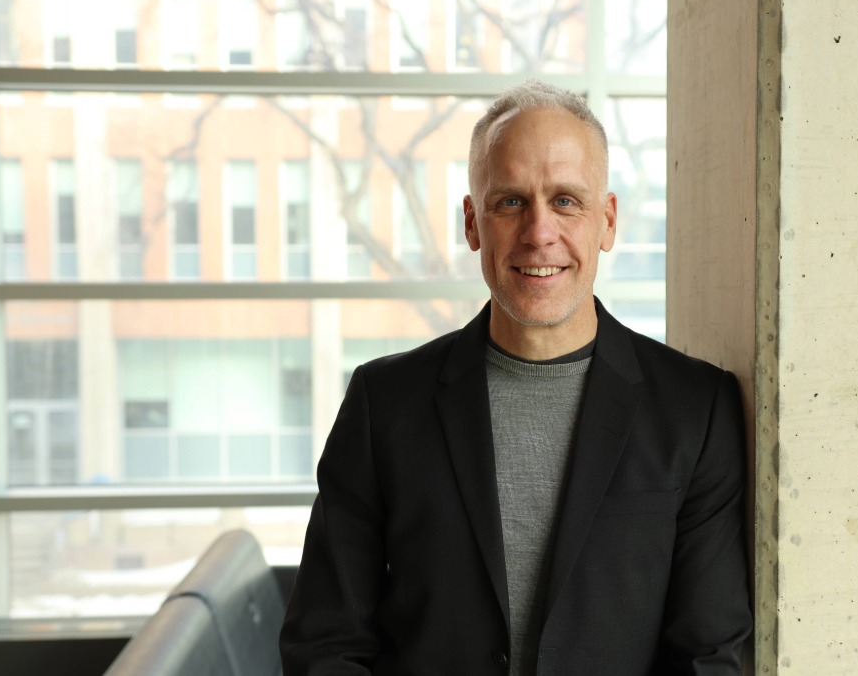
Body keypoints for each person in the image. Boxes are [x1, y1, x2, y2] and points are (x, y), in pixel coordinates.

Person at [280, 80, 752, 675]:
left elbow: (708, 658)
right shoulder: (384, 405)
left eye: (565, 201)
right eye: (510, 202)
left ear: (606, 222)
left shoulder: (696, 410)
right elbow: (324, 645)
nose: (538, 232)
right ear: (473, 224)